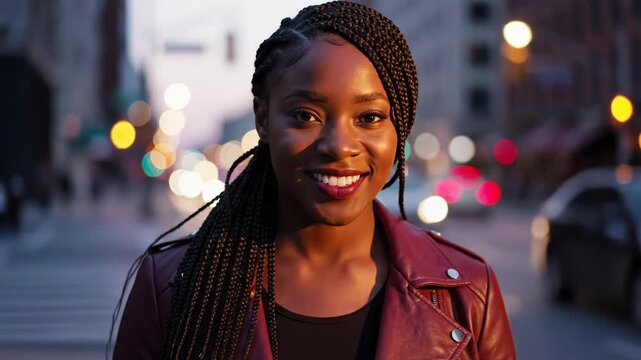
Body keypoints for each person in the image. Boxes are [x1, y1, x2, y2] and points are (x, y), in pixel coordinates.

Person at [112, 2, 516, 359]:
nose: (339, 145)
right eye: (305, 115)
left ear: (400, 130)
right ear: (263, 119)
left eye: (370, 117)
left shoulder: (468, 292)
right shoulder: (170, 285)